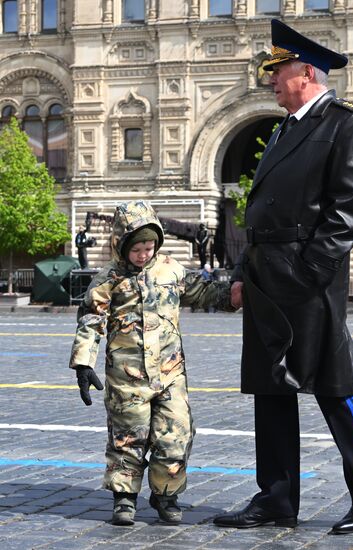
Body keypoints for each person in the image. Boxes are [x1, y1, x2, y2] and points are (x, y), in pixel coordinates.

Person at [213, 19, 353, 535]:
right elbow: (260, 214)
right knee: (270, 392)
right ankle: (276, 498)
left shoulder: (345, 123)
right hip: (267, 276)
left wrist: (310, 272)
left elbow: (346, 212)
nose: (269, 81)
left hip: (308, 280)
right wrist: (244, 273)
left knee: (335, 388)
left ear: (307, 72)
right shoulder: (283, 129)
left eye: (277, 72)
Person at [69, 200, 231, 527]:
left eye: (149, 246)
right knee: (128, 438)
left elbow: (202, 292)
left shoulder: (171, 270)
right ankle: (124, 498)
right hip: (127, 377)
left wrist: (234, 294)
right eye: (137, 248)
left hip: (170, 374)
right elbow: (91, 319)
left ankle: (165, 495)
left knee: (176, 435)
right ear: (122, 245)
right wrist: (84, 363)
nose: (144, 254)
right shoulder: (109, 278)